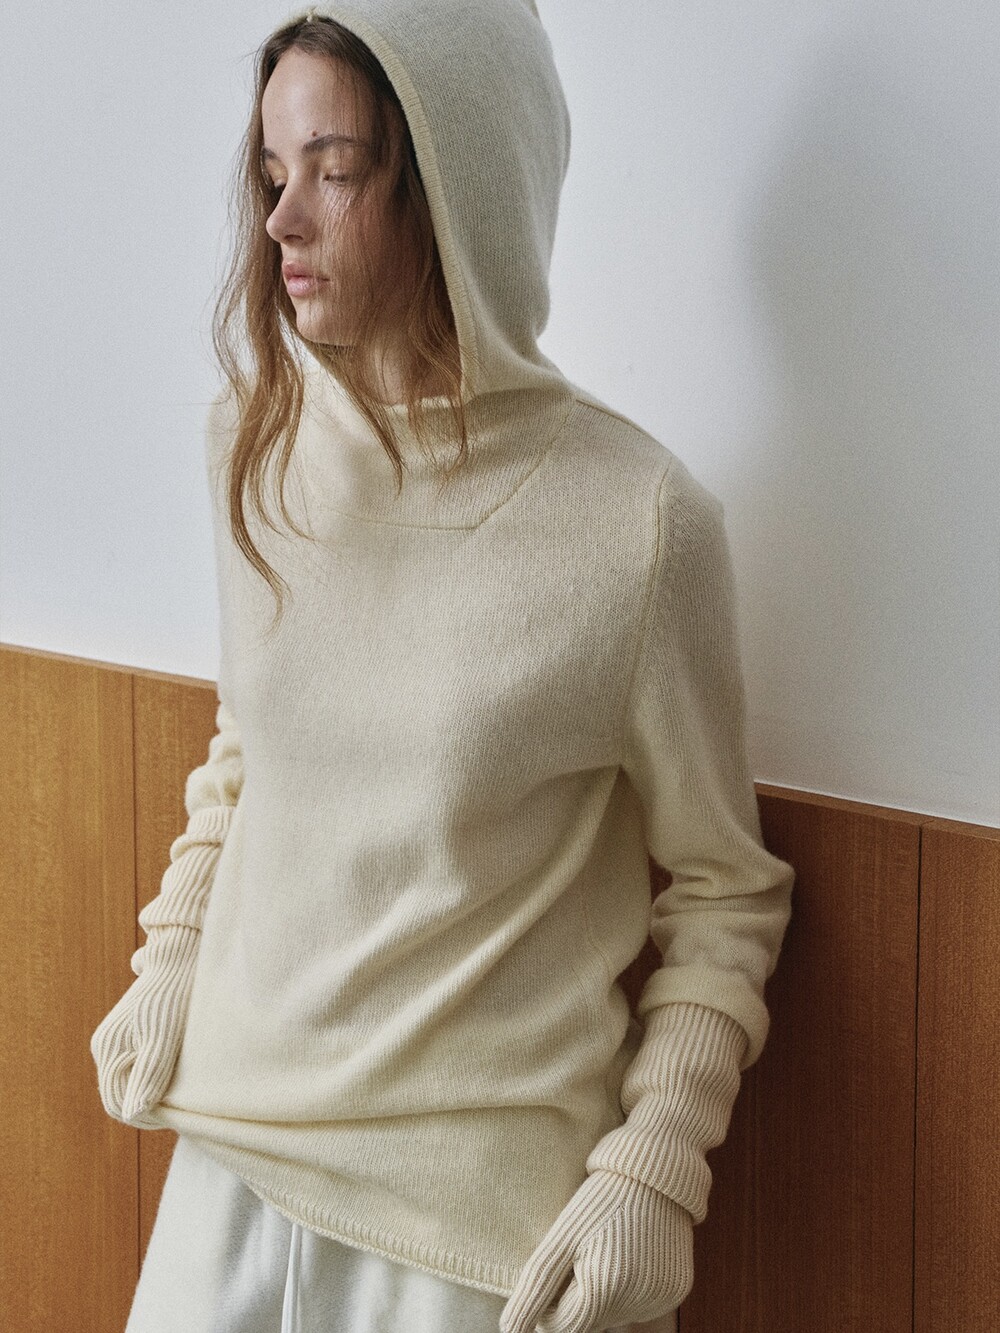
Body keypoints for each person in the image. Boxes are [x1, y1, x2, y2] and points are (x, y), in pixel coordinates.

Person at [90, 2, 794, 1331]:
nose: (281, 220)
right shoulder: (250, 444)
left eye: (335, 170)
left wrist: (658, 1162)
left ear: (461, 185)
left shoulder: (637, 522)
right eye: (271, 172)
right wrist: (174, 950)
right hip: (226, 1164)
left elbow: (727, 890)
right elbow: (249, 749)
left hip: (471, 1240)